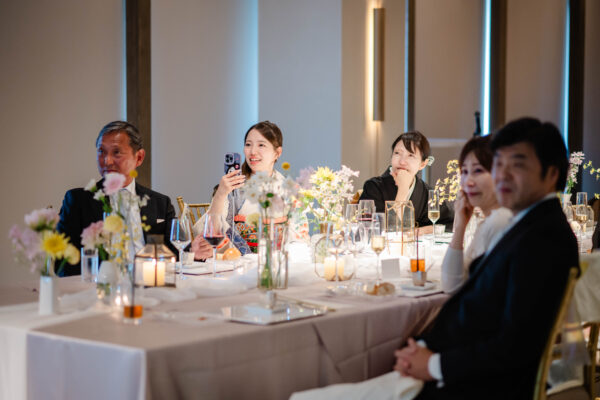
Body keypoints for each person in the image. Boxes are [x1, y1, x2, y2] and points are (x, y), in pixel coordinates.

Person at [292, 118, 579, 400]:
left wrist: (431, 364)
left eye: (516, 165)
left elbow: (516, 345)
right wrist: (423, 350)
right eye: (498, 165)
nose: (501, 175)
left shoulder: (541, 238)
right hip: (453, 366)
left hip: (471, 386)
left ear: (551, 174)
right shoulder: (527, 226)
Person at [57, 121, 211, 276]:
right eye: (101, 151)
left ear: (139, 157)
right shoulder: (78, 201)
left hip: (151, 282)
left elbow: (176, 252)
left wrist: (193, 251)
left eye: (116, 152)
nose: (107, 161)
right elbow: (63, 263)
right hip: (102, 285)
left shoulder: (160, 203)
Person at [192, 121, 285, 253]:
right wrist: (221, 194)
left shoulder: (287, 188)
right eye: (248, 144)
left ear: (277, 153)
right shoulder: (233, 186)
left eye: (261, 145)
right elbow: (209, 234)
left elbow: (297, 237)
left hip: (276, 261)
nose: (252, 152)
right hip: (236, 260)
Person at [440, 136, 512, 293]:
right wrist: (460, 227)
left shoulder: (500, 221)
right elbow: (451, 284)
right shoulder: (490, 220)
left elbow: (455, 288)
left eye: (478, 170)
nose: (468, 182)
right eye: (464, 172)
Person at [359, 131, 453, 229]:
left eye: (411, 155)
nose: (402, 162)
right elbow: (377, 230)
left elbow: (449, 224)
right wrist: (403, 190)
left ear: (423, 164)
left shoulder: (427, 193)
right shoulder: (373, 187)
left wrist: (419, 231)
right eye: (397, 153)